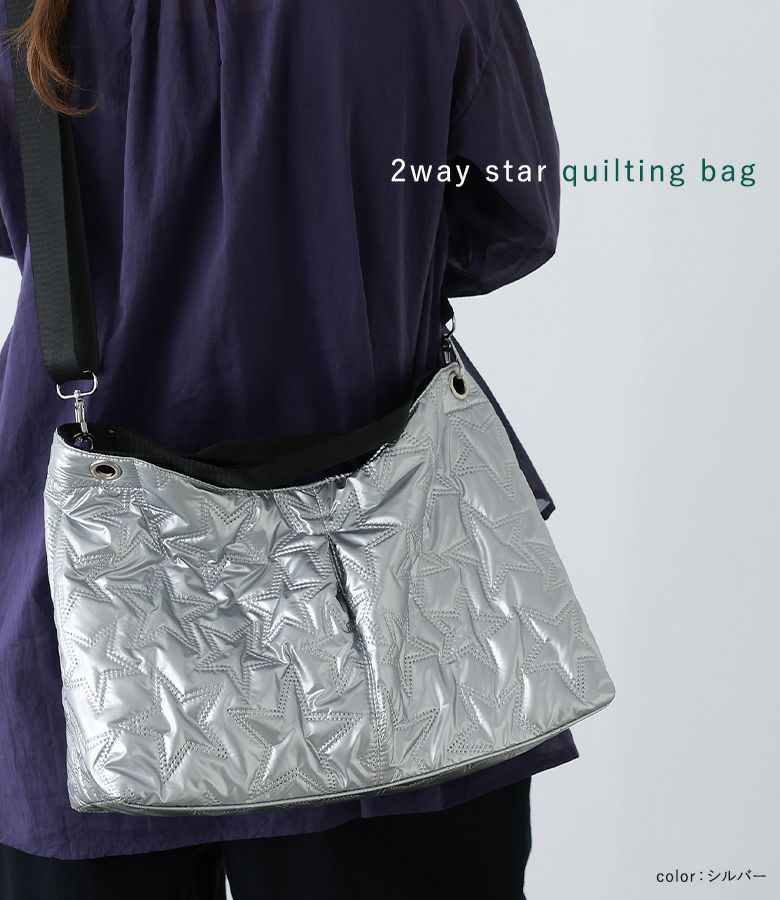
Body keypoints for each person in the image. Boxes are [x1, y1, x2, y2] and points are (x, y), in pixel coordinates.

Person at [0, 1, 577, 896]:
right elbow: (511, 219)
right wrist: (364, 263)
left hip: (82, 595)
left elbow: (22, 218)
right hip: (387, 584)